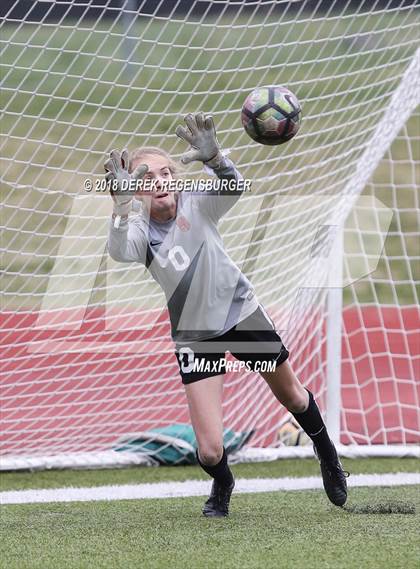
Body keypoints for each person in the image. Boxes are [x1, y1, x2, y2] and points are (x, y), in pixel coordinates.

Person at [105, 112, 348, 517]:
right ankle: (223, 482)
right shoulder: (138, 229)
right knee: (209, 448)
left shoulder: (197, 203)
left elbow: (233, 187)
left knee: (290, 393)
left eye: (167, 172)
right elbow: (118, 250)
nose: (160, 181)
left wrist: (216, 159)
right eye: (146, 178)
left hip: (240, 314)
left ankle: (327, 454)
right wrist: (120, 205)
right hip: (194, 333)